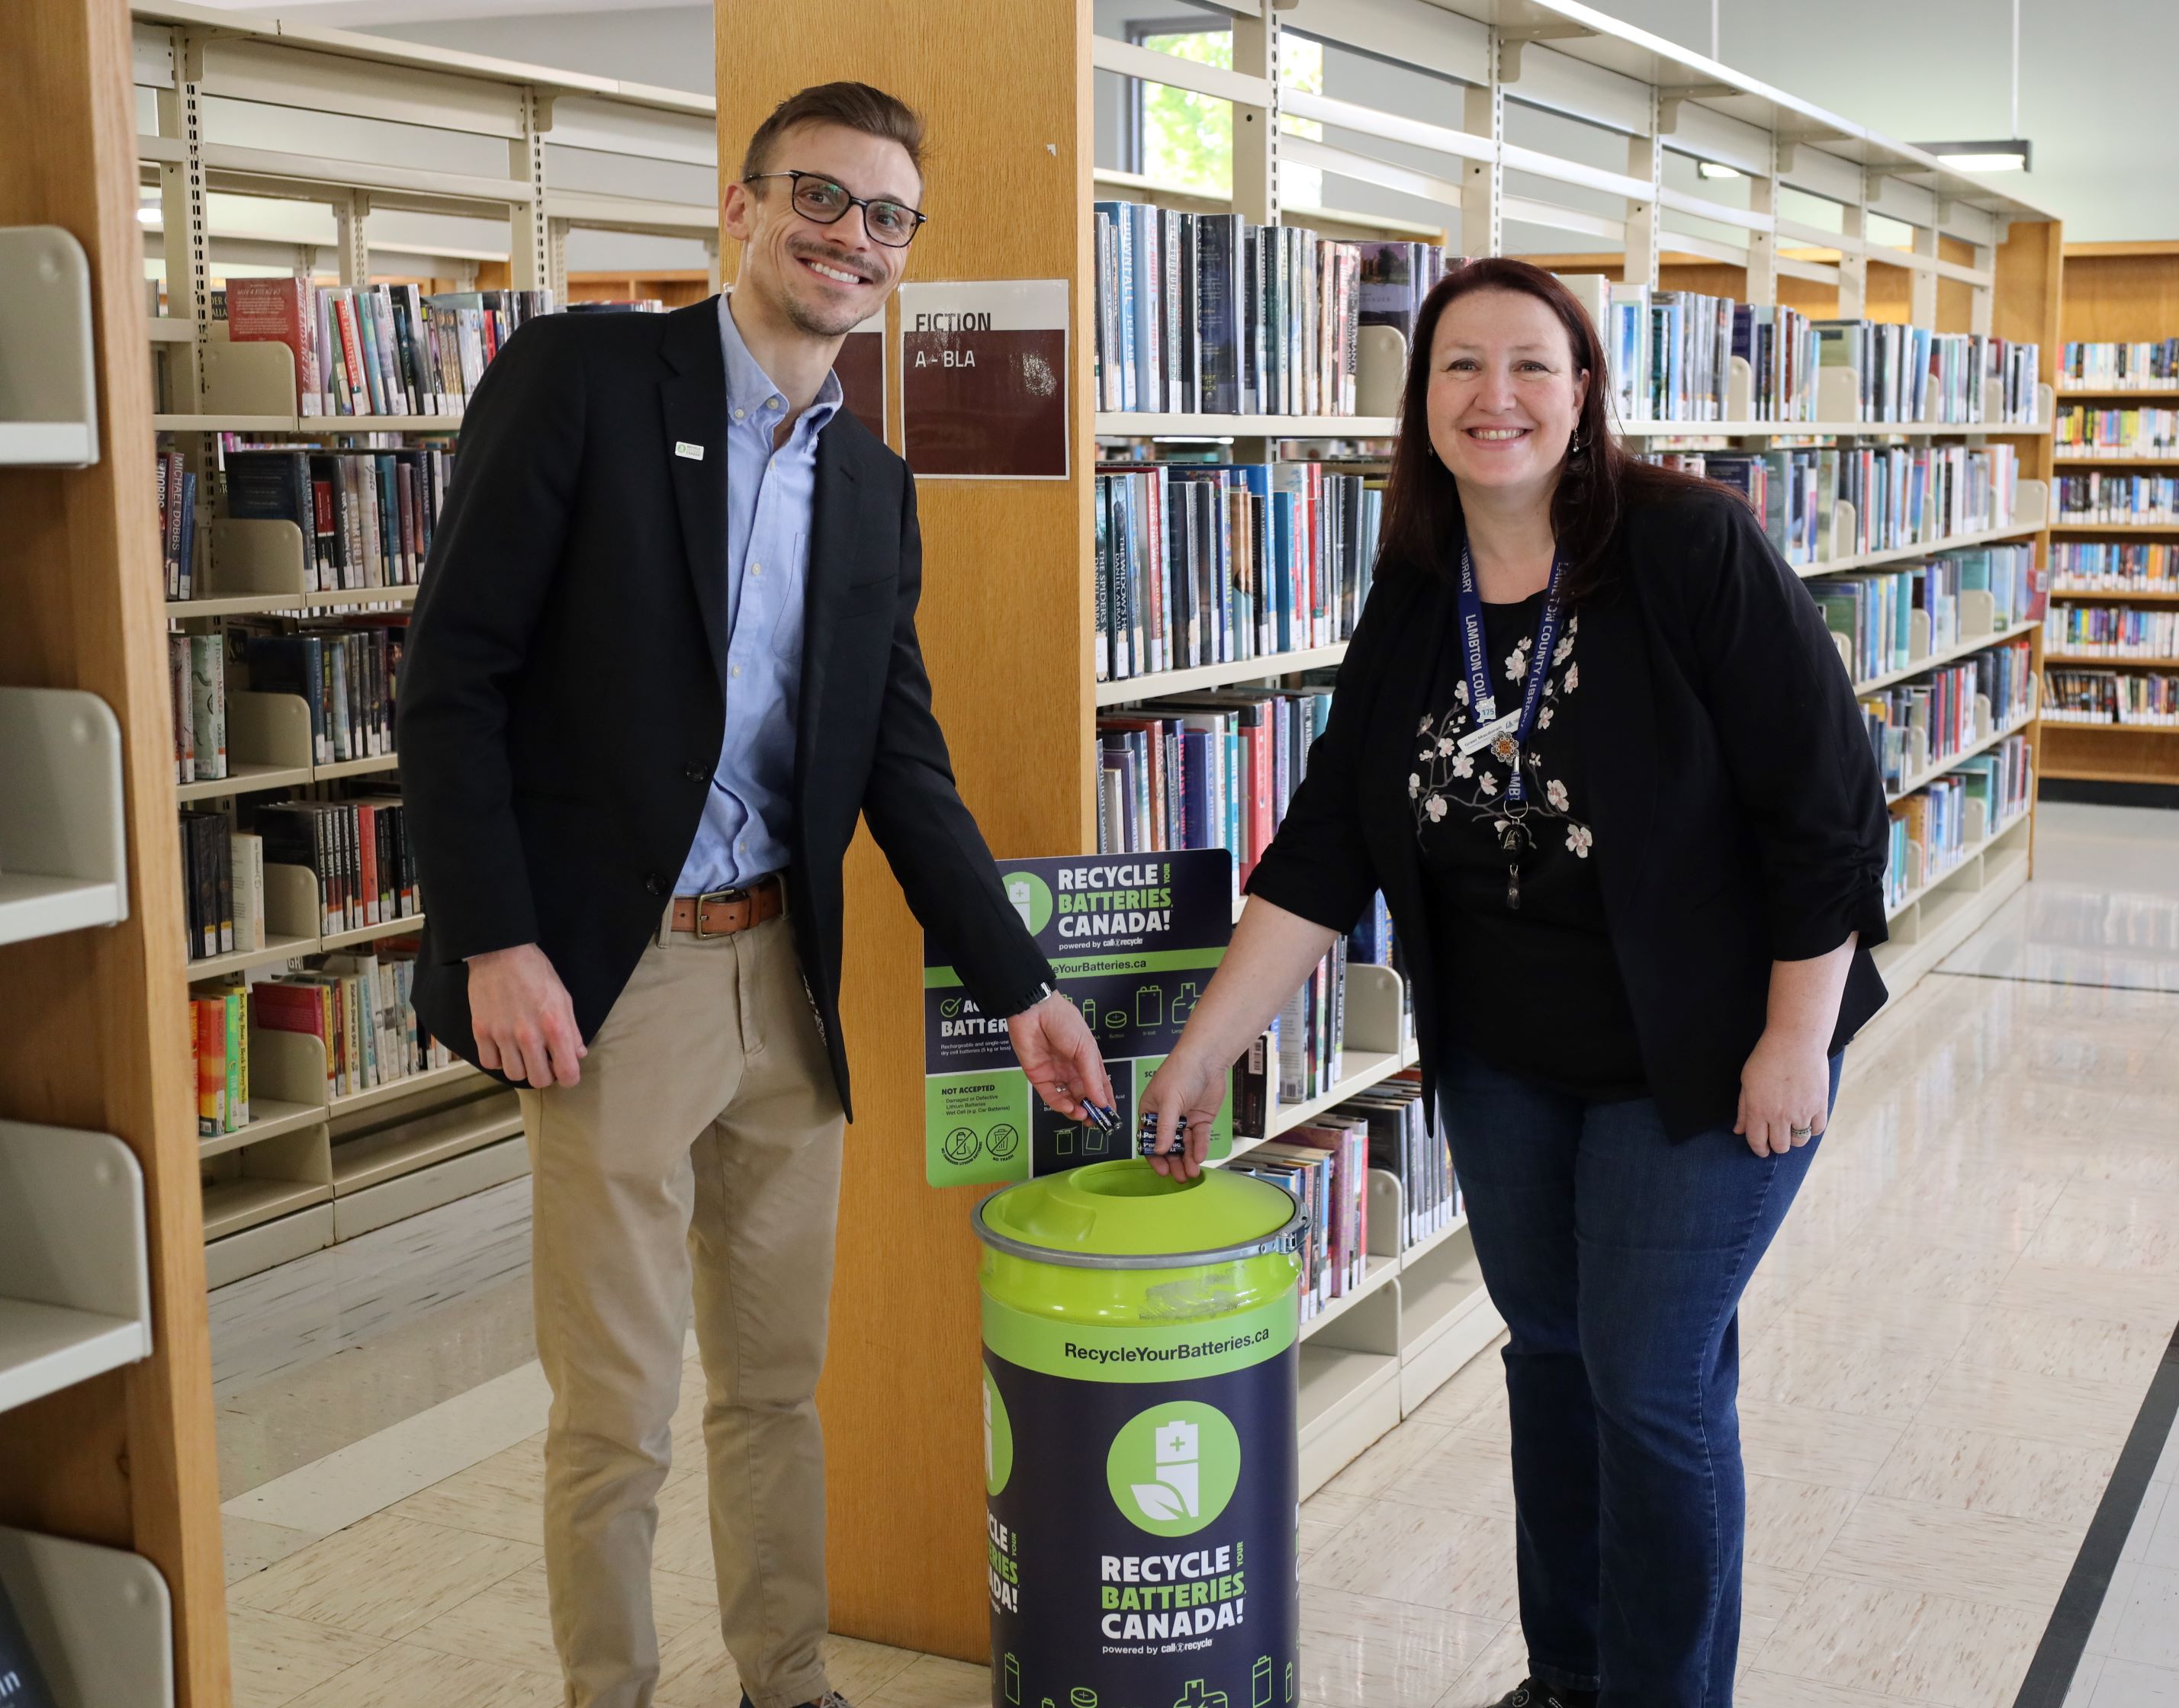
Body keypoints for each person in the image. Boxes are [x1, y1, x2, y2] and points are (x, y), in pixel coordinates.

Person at [397, 82, 1113, 1708]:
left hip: (782, 979)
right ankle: (615, 1692)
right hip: (611, 979)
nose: (850, 238)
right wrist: (498, 934)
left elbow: (903, 774)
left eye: (884, 218)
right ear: (740, 209)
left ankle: (785, 1679)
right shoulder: (582, 381)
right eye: (819, 197)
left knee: (778, 1386)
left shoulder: (871, 484)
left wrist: (1026, 990)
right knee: (617, 1404)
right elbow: (451, 681)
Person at [1136, 258, 1890, 1708]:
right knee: (1550, 1358)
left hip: (1708, 1048)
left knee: (1651, 1382)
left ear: (1585, 390)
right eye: (1460, 367)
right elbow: (1331, 839)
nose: (1498, 398)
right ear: (1418, 404)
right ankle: (1570, 1679)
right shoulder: (1419, 585)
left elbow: (1829, 808)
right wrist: (1198, 1054)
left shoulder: (1687, 550)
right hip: (1503, 1060)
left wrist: (1799, 1037)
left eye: (1532, 365)